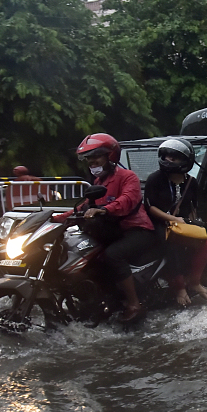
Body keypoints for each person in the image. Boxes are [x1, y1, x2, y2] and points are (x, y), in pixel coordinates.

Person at [54, 133, 157, 322]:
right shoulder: (99, 183)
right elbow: (84, 206)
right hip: (111, 231)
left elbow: (127, 200)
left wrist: (103, 210)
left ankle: (134, 304)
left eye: (96, 157)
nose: (92, 162)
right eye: (89, 158)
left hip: (136, 230)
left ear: (110, 156)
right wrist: (57, 218)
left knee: (112, 255)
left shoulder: (128, 176)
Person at [144, 138, 207, 308]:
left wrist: (194, 225)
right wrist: (172, 219)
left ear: (185, 161)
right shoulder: (155, 179)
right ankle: (180, 288)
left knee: (204, 241)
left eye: (174, 158)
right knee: (171, 246)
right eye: (167, 156)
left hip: (182, 223)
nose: (169, 160)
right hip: (159, 224)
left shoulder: (191, 181)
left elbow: (192, 207)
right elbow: (150, 207)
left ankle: (195, 281)